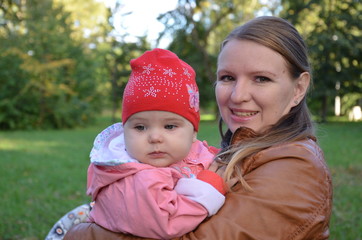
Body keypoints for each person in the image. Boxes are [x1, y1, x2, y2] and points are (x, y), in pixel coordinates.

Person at [64, 16, 333, 239]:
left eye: (261, 78)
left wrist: (81, 234)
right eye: (227, 77)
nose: (237, 95)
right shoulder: (234, 151)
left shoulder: (296, 169)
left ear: (298, 88)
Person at [46, 48, 226, 240]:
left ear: (193, 134)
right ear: (125, 132)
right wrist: (209, 187)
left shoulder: (192, 152)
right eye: (140, 127)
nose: (155, 137)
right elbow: (164, 224)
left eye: (170, 126)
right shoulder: (130, 181)